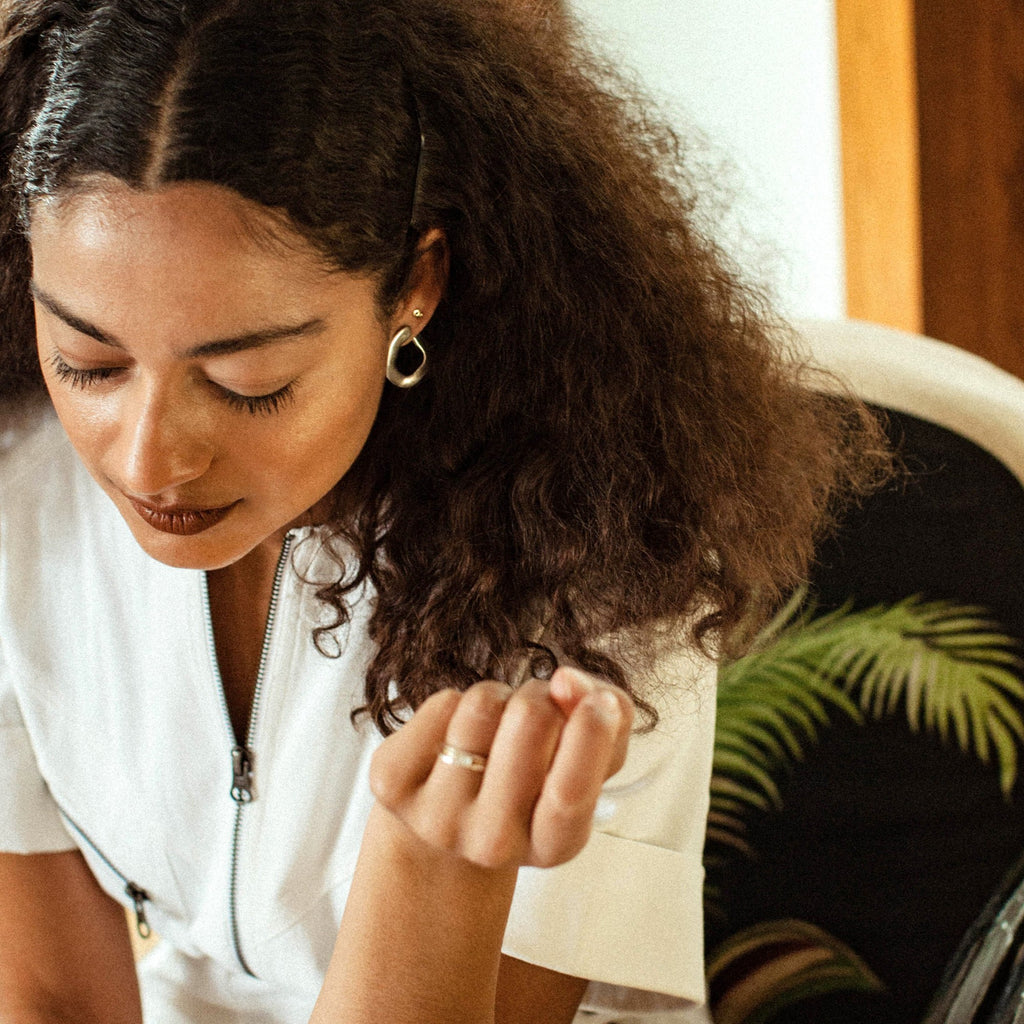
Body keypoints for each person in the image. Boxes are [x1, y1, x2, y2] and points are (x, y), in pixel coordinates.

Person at [0, 1, 885, 1021]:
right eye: (89, 360)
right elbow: (55, 997)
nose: (147, 455)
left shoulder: (592, 548)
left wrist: (427, 868)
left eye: (248, 380)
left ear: (414, 286)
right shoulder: (23, 490)